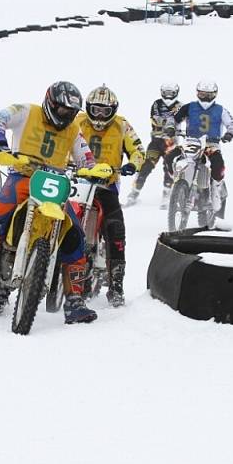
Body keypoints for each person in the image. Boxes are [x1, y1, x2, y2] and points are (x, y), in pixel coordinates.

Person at [0, 81, 103, 324]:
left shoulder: (73, 130)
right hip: (24, 175)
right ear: (51, 103)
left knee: (75, 235)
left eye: (71, 113)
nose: (66, 116)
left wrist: (93, 169)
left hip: (55, 184)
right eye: (63, 111)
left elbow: (84, 155)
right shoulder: (27, 111)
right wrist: (1, 147)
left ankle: (74, 301)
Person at [77, 85, 145, 307]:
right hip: (76, 183)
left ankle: (116, 286)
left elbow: (138, 150)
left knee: (116, 231)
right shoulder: (76, 121)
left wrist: (132, 165)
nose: (99, 116)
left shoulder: (122, 125)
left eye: (104, 112)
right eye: (95, 110)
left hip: (107, 186)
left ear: (113, 111)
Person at [173, 80, 233, 211]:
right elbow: (175, 118)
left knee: (218, 163)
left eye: (208, 95)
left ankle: (215, 189)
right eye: (202, 94)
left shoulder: (221, 109)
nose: (205, 98)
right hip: (191, 141)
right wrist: (170, 128)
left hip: (211, 143)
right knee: (172, 157)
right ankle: (178, 186)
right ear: (197, 93)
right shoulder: (189, 107)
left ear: (215, 94)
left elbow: (232, 123)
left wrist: (229, 134)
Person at [126, 83, 182, 207]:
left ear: (176, 93)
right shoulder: (157, 104)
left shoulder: (180, 106)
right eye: (165, 93)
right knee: (146, 166)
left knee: (169, 168)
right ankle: (134, 194)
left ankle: (167, 195)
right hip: (156, 141)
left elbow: (181, 118)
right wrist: (167, 124)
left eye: (170, 93)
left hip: (171, 142)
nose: (168, 96)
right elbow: (155, 118)